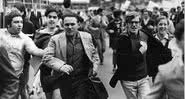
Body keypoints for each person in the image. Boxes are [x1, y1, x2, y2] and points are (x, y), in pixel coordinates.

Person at [42, 14, 100, 99]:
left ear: (78, 25)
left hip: (82, 79)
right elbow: (46, 58)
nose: (69, 27)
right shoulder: (55, 39)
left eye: (72, 24)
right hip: (62, 79)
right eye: (67, 24)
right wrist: (61, 66)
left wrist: (95, 67)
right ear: (62, 25)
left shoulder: (87, 37)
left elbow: (94, 55)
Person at [0, 9, 44, 99]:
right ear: (8, 24)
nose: (20, 25)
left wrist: (48, 51)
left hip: (14, 78)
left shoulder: (25, 39)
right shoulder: (1, 34)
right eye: (16, 22)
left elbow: (34, 51)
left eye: (21, 22)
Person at [110, 12, 151, 99]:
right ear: (127, 24)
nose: (134, 25)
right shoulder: (122, 38)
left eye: (136, 22)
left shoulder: (144, 35)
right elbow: (123, 62)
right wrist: (140, 52)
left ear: (140, 24)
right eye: (131, 22)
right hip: (128, 80)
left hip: (143, 78)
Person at [144, 19, 184, 99]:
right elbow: (148, 56)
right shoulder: (151, 40)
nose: (163, 26)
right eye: (160, 24)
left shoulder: (171, 40)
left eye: (165, 24)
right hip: (159, 72)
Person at [34, 6, 61, 99]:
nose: (52, 19)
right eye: (49, 17)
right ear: (45, 18)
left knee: (57, 96)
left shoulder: (62, 33)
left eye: (54, 17)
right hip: (45, 74)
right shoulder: (39, 35)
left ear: (58, 19)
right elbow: (34, 56)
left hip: (60, 73)